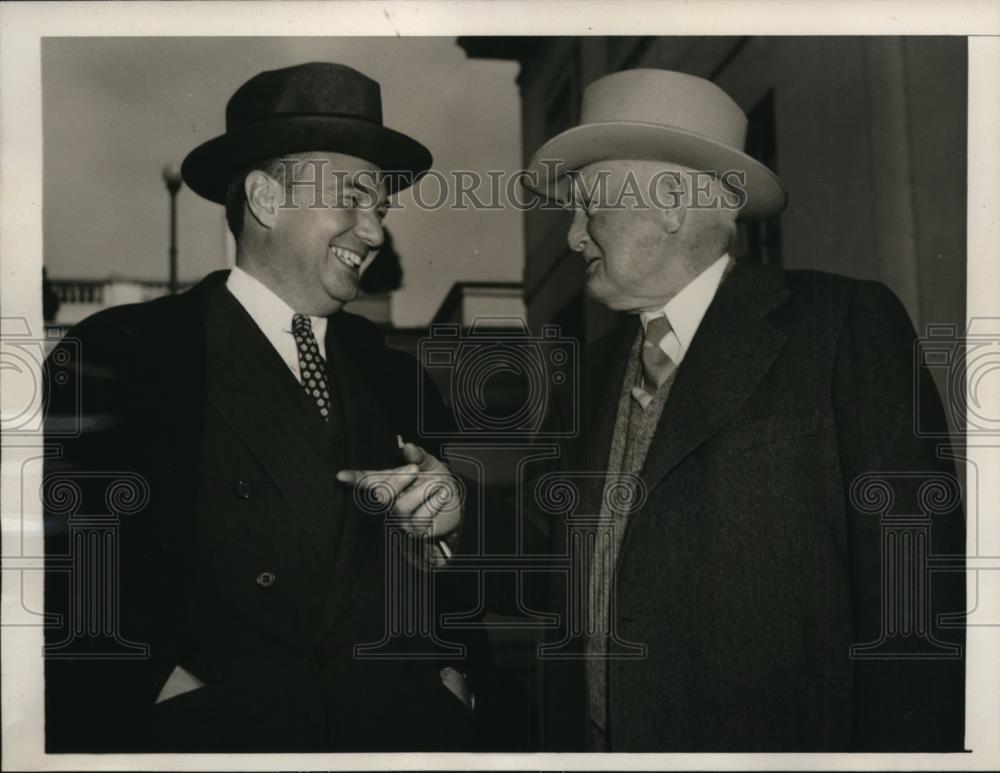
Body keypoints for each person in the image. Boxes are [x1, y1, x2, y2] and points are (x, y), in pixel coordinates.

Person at [522, 68, 965, 752]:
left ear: (669, 200)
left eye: (588, 206)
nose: (574, 235)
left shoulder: (840, 327)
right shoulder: (582, 378)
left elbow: (913, 605)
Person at [43, 62, 481, 753]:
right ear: (266, 198)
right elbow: (69, 571)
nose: (373, 232)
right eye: (354, 198)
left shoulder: (397, 374)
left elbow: (457, 575)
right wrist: (158, 691)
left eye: (382, 207)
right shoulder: (125, 354)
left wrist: (445, 543)